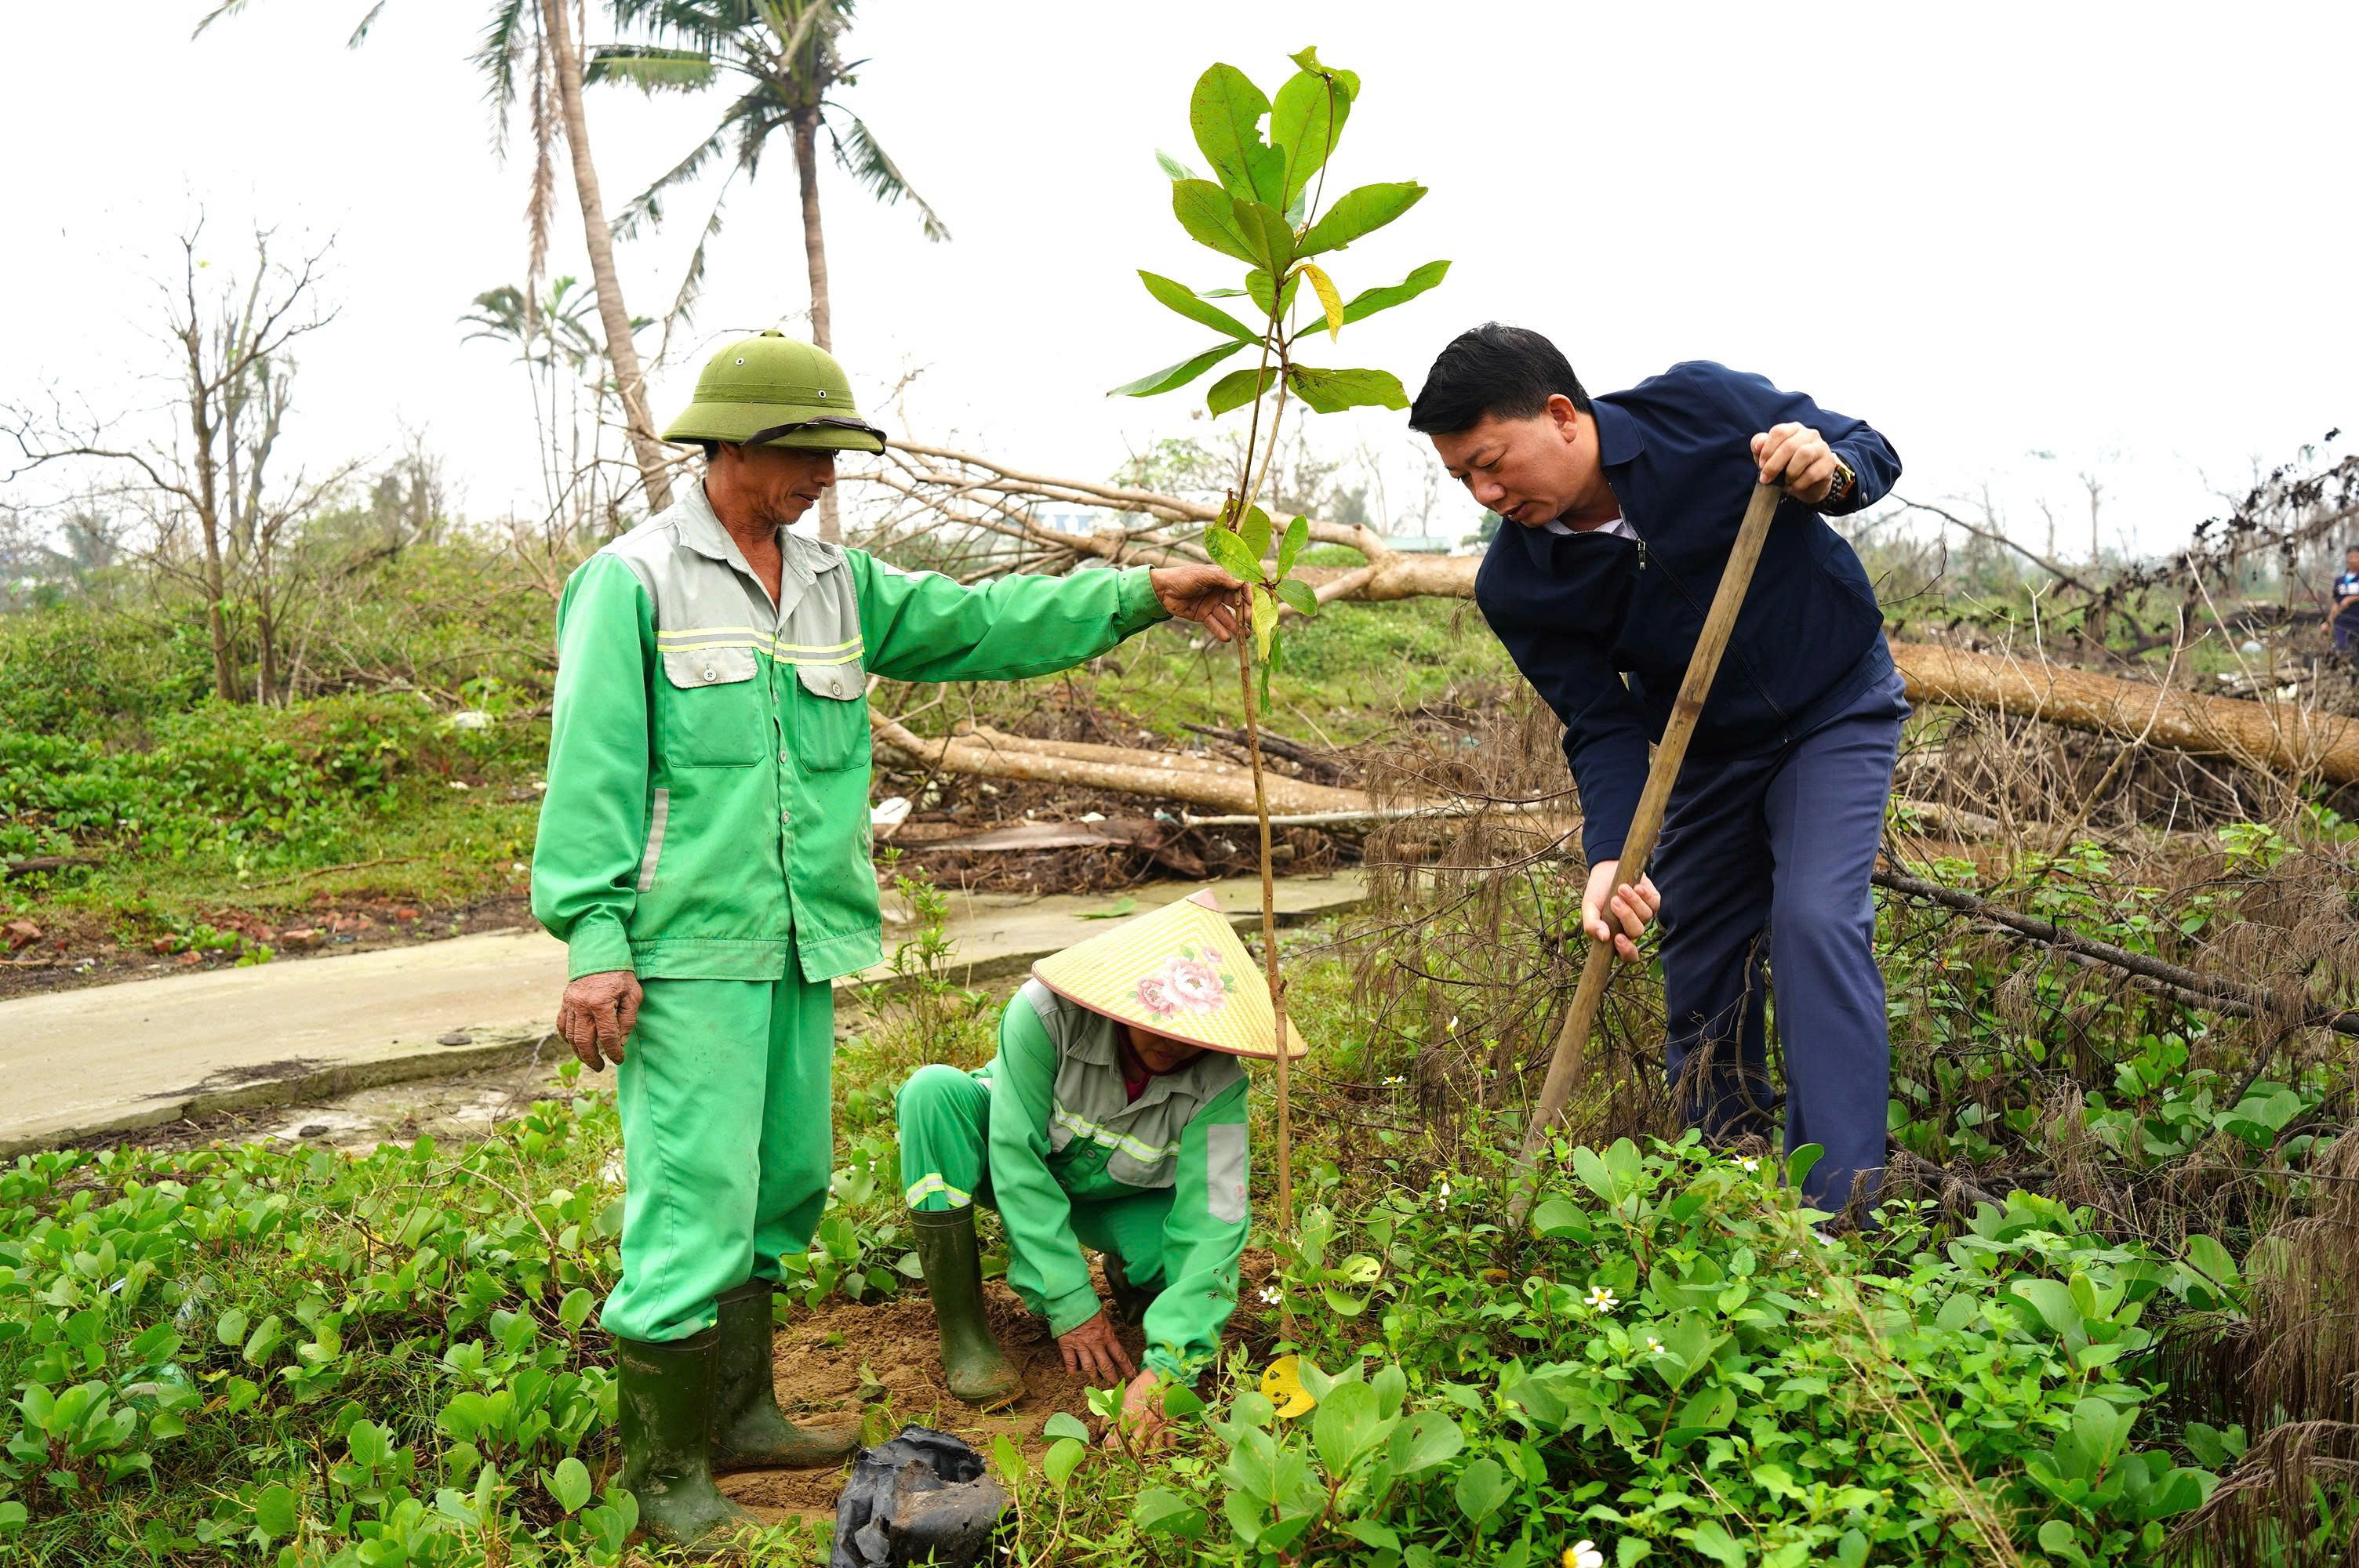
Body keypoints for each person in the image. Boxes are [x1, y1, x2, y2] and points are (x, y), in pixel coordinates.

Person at [530, 332, 1245, 1548]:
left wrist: (1137, 596)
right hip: (685, 949)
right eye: (806, 454)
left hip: (800, 943)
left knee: (782, 1184)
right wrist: (596, 937)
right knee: (695, 1197)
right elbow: (591, 769)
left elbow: (984, 624)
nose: (824, 477)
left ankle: (741, 1412)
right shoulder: (633, 581)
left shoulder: (837, 585)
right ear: (734, 445)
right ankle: (664, 1480)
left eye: (833, 455)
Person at [1406, 324, 1904, 1217]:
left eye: (1490, 463)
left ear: (1561, 416)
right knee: (1700, 955)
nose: (1485, 494)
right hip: (1705, 750)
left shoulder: (1702, 409)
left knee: (1813, 920)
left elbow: (1868, 449)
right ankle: (1725, 1195)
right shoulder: (1517, 583)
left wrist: (1824, 472)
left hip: (1833, 705)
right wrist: (1611, 855)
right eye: (1461, 479)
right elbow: (1600, 724)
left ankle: (1842, 1210)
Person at [893, 891, 1296, 1450]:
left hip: (1118, 1196)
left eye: (1191, 1030)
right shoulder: (1045, 1016)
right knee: (931, 1091)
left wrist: (1170, 1372)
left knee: (1174, 1266)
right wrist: (1070, 1303)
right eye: (1159, 1016)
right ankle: (963, 1331)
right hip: (1009, 1168)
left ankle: (1132, 1276)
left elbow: (1215, 1219)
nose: (1171, 1042)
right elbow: (1016, 1160)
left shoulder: (1221, 1086)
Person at [2330, 545, 2359, 658]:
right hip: (2342, 622)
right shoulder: (2340, 579)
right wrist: (2329, 622)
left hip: (2357, 621)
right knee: (2342, 650)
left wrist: (2351, 599)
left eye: (2356, 557)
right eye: (2351, 557)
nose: (2353, 560)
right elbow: (2336, 602)